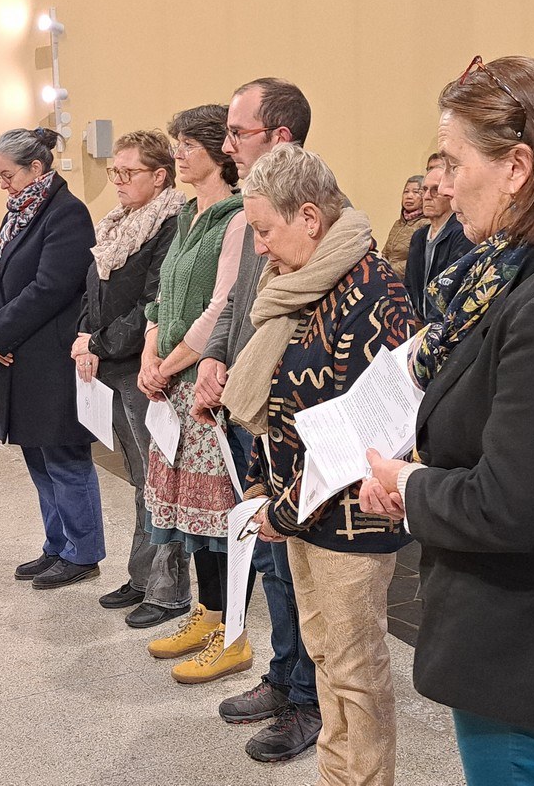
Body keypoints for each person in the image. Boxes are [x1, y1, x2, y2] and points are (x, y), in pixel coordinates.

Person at [360, 55, 534, 786]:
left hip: (529, 626)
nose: (441, 186)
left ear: (517, 166)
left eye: (455, 164)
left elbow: (509, 504)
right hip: (513, 613)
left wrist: (408, 484)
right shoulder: (521, 269)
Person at [221, 143, 413, 786]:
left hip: (351, 515)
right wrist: (259, 483)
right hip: (298, 507)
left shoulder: (375, 293)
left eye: (265, 231)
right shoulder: (301, 285)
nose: (260, 249)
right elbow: (276, 399)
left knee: (355, 670)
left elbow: (363, 434)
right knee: (325, 656)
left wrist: (280, 510)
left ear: (309, 217)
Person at [192, 78, 323, 764]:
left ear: (280, 135)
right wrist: (215, 358)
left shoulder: (307, 209)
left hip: (291, 411)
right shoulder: (253, 210)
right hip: (252, 404)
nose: (225, 145)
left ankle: (308, 699)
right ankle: (282, 674)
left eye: (237, 132)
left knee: (299, 565)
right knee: (271, 557)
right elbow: (236, 303)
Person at [138, 104, 249, 682]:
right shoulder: (186, 215)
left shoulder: (238, 219)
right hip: (172, 383)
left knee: (219, 515)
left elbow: (221, 307)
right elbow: (161, 296)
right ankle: (206, 614)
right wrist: (149, 352)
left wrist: (171, 363)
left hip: (205, 384)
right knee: (189, 511)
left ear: (217, 151)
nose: (178, 153)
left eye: (187, 144)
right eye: (176, 143)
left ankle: (234, 633)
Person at [72, 130, 193, 626]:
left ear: (160, 175)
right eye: (114, 172)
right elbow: (93, 293)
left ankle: (169, 591)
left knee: (161, 481)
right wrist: (85, 335)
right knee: (140, 477)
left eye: (128, 172)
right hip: (113, 366)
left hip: (145, 369)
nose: (118, 181)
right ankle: (142, 576)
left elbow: (151, 304)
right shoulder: (117, 224)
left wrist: (98, 344)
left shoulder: (172, 224)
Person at [0, 127, 105, 589]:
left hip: (51, 358)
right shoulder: (18, 212)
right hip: (18, 355)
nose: (3, 185)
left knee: (63, 456)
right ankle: (57, 544)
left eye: (7, 175)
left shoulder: (66, 213)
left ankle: (82, 552)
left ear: (36, 168)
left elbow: (51, 287)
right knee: (37, 456)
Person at [405, 164, 474, 323]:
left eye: (435, 190)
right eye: (424, 190)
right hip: (420, 324)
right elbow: (409, 285)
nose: (427, 196)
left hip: (445, 325)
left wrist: (430, 328)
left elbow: (451, 289)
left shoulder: (462, 234)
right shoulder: (419, 236)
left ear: (450, 193)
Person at [379, 175, 426, 279]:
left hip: (407, 281)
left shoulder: (426, 225)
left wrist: (389, 269)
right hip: (387, 277)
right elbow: (385, 253)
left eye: (416, 192)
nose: (409, 196)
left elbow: (419, 261)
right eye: (406, 191)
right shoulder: (398, 223)